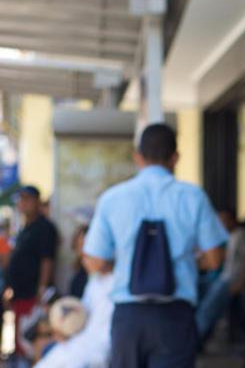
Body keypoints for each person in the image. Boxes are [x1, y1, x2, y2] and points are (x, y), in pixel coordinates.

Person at [83, 123, 228, 367]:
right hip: (174, 316)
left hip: (128, 316)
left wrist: (128, 261)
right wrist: (185, 261)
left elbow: (95, 261)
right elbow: (215, 259)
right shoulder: (193, 197)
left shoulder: (113, 198)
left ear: (137, 157)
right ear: (176, 157)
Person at [6, 185, 59, 357]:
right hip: (20, 292)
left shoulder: (44, 227)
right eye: (21, 199)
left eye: (26, 199)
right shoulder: (24, 228)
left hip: (33, 294)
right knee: (20, 338)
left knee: (28, 340)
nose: (22, 203)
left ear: (37, 201)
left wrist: (41, 289)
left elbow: (47, 260)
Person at [195, 209, 245, 342]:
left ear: (233, 220)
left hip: (230, 280)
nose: (221, 224)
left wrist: (242, 283)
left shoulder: (241, 234)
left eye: (224, 221)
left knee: (207, 309)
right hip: (222, 277)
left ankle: (194, 340)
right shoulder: (229, 236)